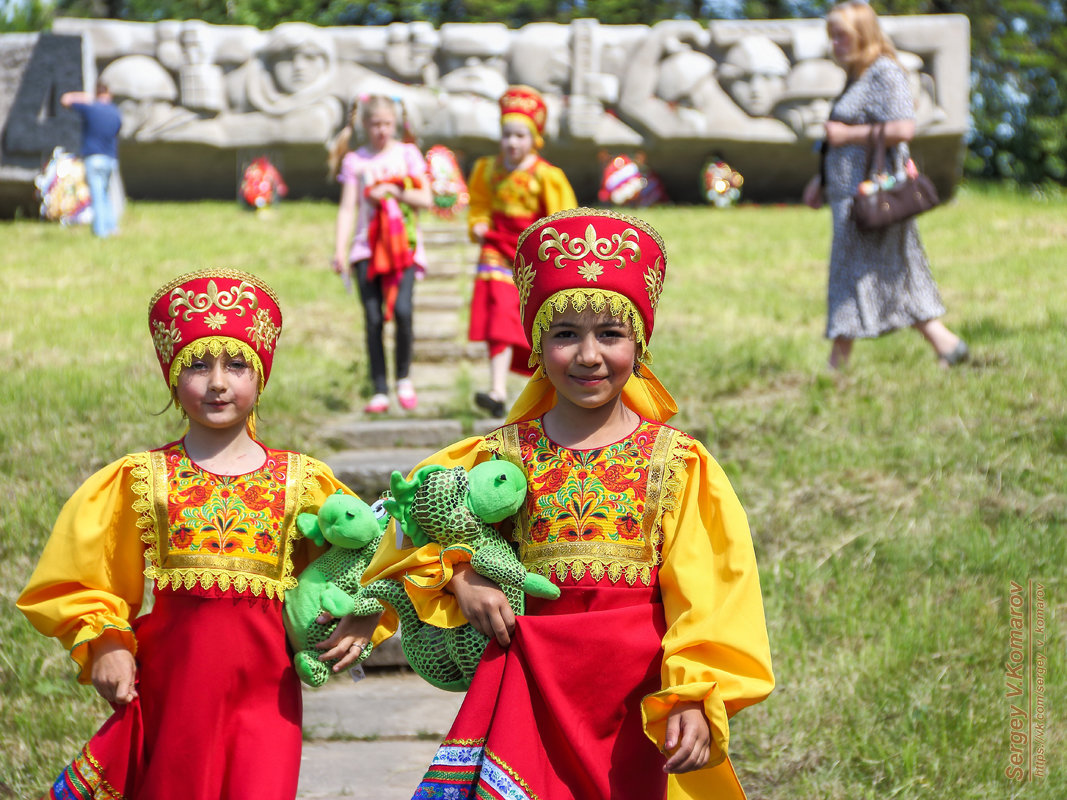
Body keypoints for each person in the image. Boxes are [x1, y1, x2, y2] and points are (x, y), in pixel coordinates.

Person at [363, 208, 775, 800]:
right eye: (565, 334)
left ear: (640, 342)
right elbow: (407, 521)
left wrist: (693, 693)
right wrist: (460, 577)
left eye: (610, 334)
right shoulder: (497, 456)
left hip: (636, 704)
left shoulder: (679, 463)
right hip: (526, 693)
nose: (588, 355)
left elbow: (712, 595)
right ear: (534, 342)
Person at [17, 269, 383, 799]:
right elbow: (80, 577)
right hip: (171, 696)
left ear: (261, 375)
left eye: (236, 364)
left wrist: (366, 611)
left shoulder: (303, 482)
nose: (217, 382)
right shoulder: (141, 479)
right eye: (197, 365)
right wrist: (104, 644)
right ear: (171, 377)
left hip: (267, 701)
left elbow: (370, 555)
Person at [802, 0, 968, 370]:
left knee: (854, 275)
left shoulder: (885, 72)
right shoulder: (859, 74)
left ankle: (836, 368)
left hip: (871, 198)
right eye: (833, 37)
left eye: (842, 36)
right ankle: (948, 345)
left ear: (863, 33)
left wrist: (846, 135)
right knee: (889, 275)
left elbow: (903, 128)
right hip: (850, 197)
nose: (836, 44)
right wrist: (823, 179)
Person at [466, 85, 577, 418]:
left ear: (534, 139)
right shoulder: (487, 169)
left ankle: (547, 391)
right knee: (498, 310)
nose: (512, 143)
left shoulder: (547, 176)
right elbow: (480, 206)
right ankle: (498, 390)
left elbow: (563, 221)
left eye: (519, 135)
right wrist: (478, 224)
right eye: (506, 135)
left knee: (540, 321)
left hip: (534, 254)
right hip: (496, 249)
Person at [330, 95, 433, 414]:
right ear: (365, 125)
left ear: (396, 124)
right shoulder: (356, 161)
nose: (381, 130)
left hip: (403, 248)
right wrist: (340, 249)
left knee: (402, 311)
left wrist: (394, 191)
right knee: (373, 319)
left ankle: (403, 377)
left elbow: (426, 199)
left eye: (387, 124)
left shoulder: (407, 154)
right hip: (366, 249)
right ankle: (379, 388)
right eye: (375, 124)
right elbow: (348, 208)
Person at [61, 82, 122, 238]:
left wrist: (86, 97)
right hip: (111, 159)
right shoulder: (115, 112)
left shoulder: (91, 108)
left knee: (97, 195)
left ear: (96, 94)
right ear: (109, 95)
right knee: (105, 194)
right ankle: (112, 227)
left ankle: (101, 232)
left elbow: (65, 100)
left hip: (94, 158)